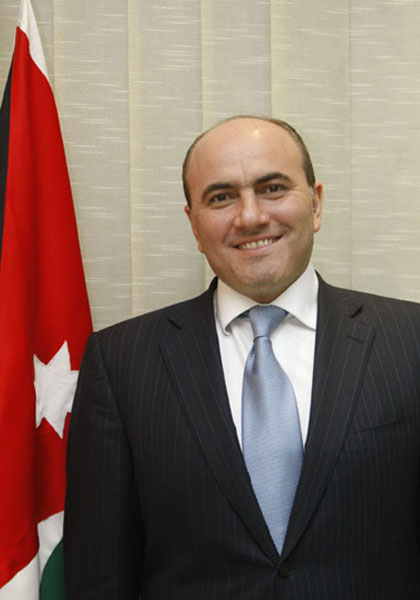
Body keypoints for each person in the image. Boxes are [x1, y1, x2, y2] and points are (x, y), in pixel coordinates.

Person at [64, 116, 420, 599]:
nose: (250, 216)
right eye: (221, 197)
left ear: (316, 204)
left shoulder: (409, 340)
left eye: (273, 188)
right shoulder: (121, 362)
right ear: (193, 224)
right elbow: (100, 577)